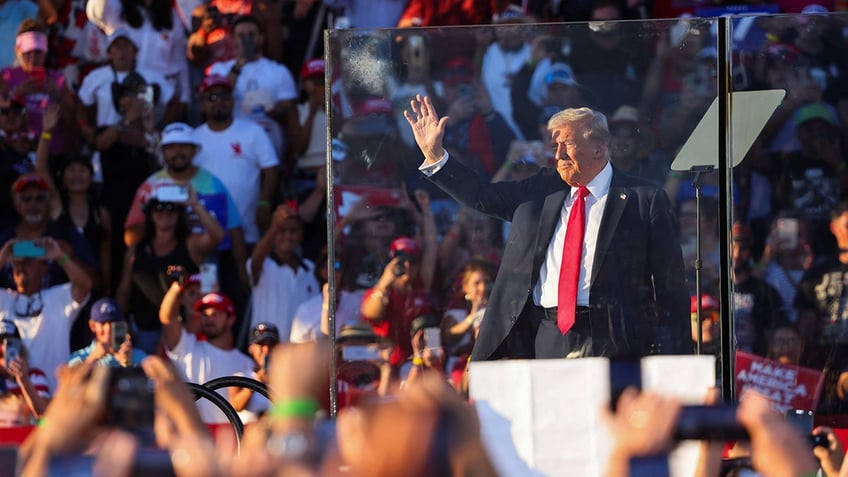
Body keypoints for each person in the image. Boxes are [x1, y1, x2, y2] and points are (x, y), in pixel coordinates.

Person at [404, 94, 690, 360]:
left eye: (568, 144)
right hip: (544, 333)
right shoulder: (541, 189)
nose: (559, 155)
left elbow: (670, 287)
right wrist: (436, 156)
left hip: (615, 339)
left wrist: (674, 357)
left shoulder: (644, 198)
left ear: (599, 149)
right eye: (555, 147)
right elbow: (482, 196)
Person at [116, 184, 224, 354]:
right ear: (150, 214)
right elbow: (124, 291)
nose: (164, 213)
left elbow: (217, 235)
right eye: (158, 208)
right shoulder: (136, 250)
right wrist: (120, 329)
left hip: (180, 332)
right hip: (143, 332)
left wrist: (195, 204)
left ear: (179, 214)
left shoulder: (189, 245)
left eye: (171, 209)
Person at [0, 237, 92, 390]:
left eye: (28, 261)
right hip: (12, 402)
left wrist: (60, 256)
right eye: (17, 263)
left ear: (44, 267)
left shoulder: (58, 298)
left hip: (52, 400)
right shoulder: (4, 299)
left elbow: (85, 285)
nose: (21, 267)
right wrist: (2, 258)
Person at [159, 286, 255, 423]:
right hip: (192, 435)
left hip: (230, 438)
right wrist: (176, 287)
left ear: (231, 319)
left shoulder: (247, 363)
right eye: (205, 314)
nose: (209, 319)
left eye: (215, 314)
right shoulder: (187, 347)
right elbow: (167, 319)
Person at [248, 205, 319, 343]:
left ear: (301, 235)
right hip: (266, 350)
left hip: (301, 353)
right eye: (282, 231)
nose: (287, 236)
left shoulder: (310, 268)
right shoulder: (264, 264)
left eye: (293, 231)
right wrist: (275, 226)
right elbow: (255, 261)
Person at [68, 297, 146, 367]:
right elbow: (69, 380)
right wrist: (92, 359)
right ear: (93, 326)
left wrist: (127, 363)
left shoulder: (140, 357)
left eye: (113, 322)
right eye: (103, 323)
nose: (108, 328)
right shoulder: (78, 358)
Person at [0, 319, 50, 419]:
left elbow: (44, 416)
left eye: (9, 343)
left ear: (19, 347)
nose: (3, 347)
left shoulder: (35, 377)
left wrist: (24, 380)